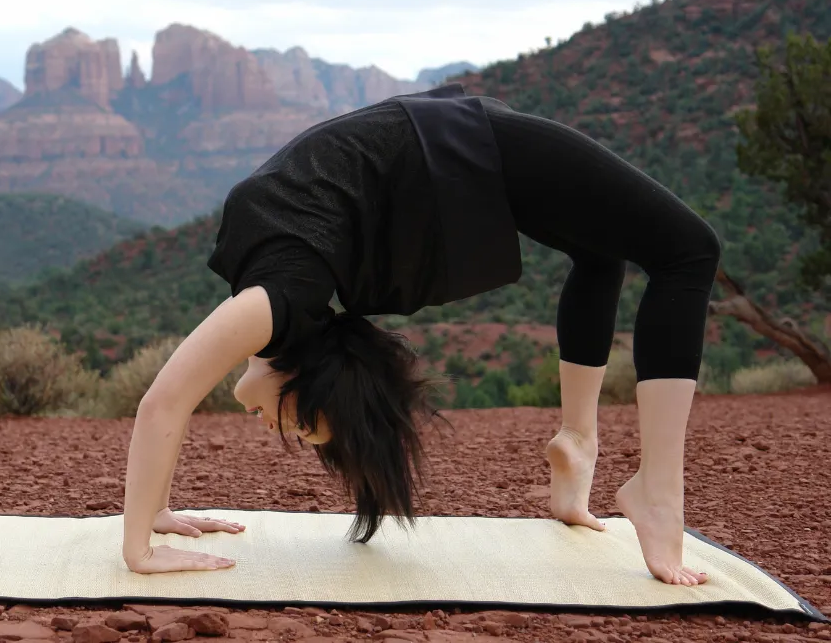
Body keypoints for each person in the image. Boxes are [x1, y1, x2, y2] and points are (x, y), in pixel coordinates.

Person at [120, 83, 721, 586]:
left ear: (306, 375)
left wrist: (138, 549)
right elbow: (173, 403)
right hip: (452, 158)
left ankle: (658, 493)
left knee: (689, 252)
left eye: (301, 424)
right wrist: (157, 511)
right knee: (600, 253)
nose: (283, 431)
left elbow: (163, 403)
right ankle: (577, 444)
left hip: (466, 148)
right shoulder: (282, 303)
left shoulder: (273, 304)